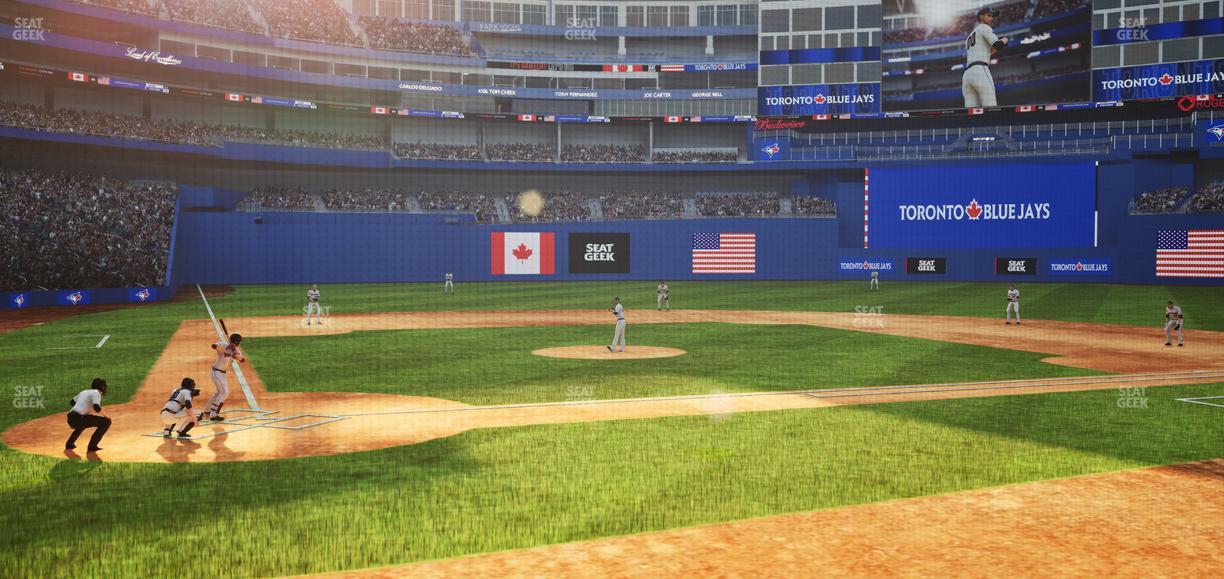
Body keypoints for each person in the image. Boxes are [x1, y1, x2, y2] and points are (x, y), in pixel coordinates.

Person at [962, 7, 1008, 108]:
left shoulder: (969, 37)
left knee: (971, 113)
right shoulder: (984, 27)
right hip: (980, 71)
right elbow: (998, 45)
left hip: (967, 76)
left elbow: (987, 53)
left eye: (992, 16)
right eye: (989, 15)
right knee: (991, 108)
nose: (992, 18)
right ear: (981, 16)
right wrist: (1004, 40)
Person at [206, 334, 245, 421]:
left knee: (219, 392)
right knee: (225, 392)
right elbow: (213, 346)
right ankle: (213, 414)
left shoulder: (236, 350)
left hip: (222, 374)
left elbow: (242, 360)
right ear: (237, 342)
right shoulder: (223, 345)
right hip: (216, 372)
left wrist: (234, 354)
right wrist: (226, 350)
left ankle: (207, 410)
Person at [65, 378, 110, 451]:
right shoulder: (96, 393)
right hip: (79, 419)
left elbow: (72, 402)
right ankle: (92, 446)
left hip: (70, 418)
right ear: (103, 387)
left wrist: (83, 408)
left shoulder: (84, 391)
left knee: (84, 422)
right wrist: (107, 416)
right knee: (106, 422)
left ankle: (69, 444)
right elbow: (97, 408)